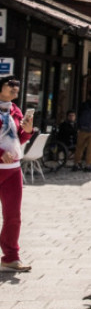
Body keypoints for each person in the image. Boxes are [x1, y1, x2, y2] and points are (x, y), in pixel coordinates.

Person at [0, 77, 34, 272]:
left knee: (13, 216)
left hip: (12, 169)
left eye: (18, 86)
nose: (15, 89)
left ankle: (11, 257)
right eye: (10, 85)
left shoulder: (15, 110)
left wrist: (28, 132)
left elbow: (19, 139)